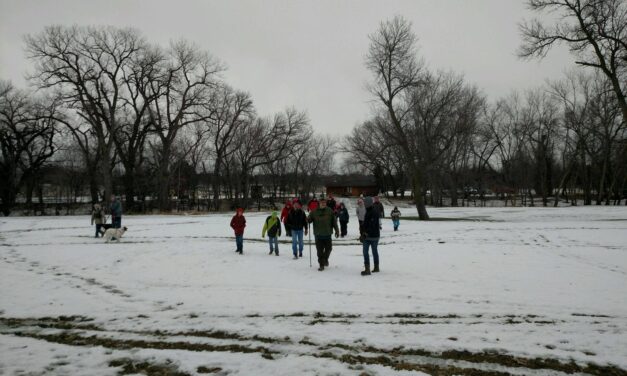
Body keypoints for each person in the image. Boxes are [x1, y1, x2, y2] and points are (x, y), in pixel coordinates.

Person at [307, 198, 339, 271]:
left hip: (327, 234)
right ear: (319, 203)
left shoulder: (330, 211)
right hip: (318, 235)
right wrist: (308, 220)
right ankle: (321, 264)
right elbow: (310, 219)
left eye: (324, 202)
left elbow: (334, 222)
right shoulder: (314, 211)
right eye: (322, 202)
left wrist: (337, 230)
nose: (323, 204)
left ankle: (325, 259)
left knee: (329, 249)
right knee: (319, 251)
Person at [361, 197, 381, 276]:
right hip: (368, 236)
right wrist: (362, 231)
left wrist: (365, 233)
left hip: (373, 236)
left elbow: (372, 225)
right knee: (367, 252)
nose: (364, 204)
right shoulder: (368, 211)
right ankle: (368, 268)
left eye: (365, 203)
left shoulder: (374, 212)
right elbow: (367, 224)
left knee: (372, 252)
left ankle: (375, 267)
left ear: (368, 203)